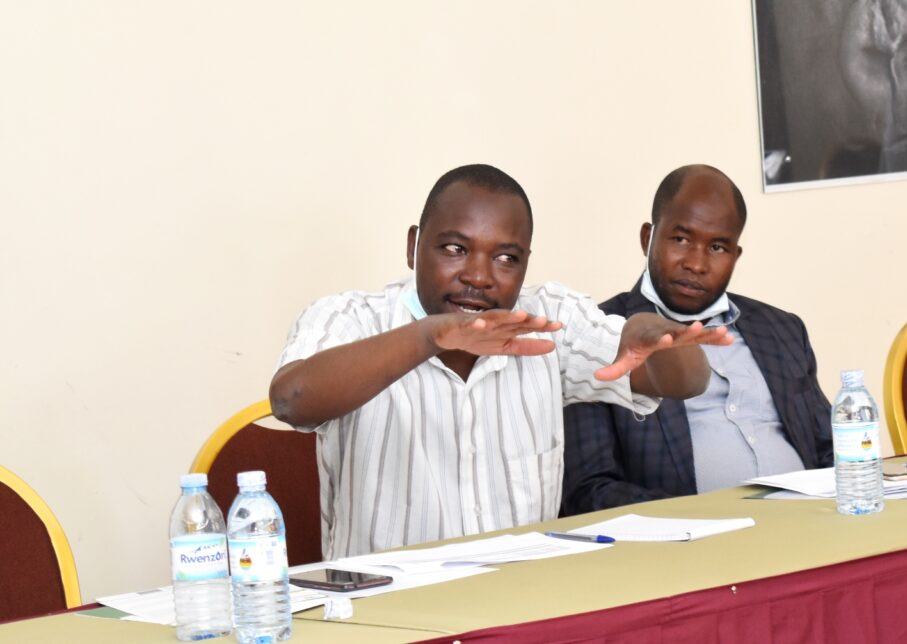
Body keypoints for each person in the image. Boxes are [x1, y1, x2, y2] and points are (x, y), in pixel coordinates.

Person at [269, 164, 732, 559]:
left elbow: (683, 382)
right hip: (388, 614)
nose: (478, 276)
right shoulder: (350, 317)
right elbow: (291, 400)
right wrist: (430, 335)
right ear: (413, 246)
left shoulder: (548, 319)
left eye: (506, 258)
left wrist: (661, 333)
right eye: (454, 249)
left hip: (520, 609)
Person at [561, 164, 832, 515]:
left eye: (717, 247)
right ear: (648, 239)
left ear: (735, 256)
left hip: (808, 525)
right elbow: (589, 491)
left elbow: (831, 448)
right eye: (681, 239)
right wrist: (704, 518)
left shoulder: (781, 329)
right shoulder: (599, 335)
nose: (696, 263)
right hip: (693, 546)